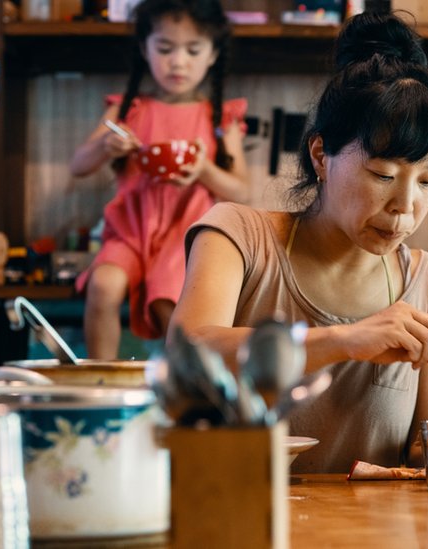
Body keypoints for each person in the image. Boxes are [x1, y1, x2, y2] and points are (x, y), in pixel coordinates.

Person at [170, 11, 428, 474]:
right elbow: (188, 356)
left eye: (426, 180)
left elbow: (420, 454)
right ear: (321, 155)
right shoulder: (238, 238)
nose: (405, 206)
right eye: (383, 174)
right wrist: (345, 340)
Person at [69, 0, 248, 359]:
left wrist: (204, 171)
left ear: (212, 54)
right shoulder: (127, 111)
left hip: (187, 236)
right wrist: (107, 144)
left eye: (193, 50)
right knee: (103, 286)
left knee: (173, 305)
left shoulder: (219, 116)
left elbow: (242, 190)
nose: (178, 61)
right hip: (130, 230)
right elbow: (78, 165)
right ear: (144, 49)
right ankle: (100, 378)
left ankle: (183, 389)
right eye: (165, 49)